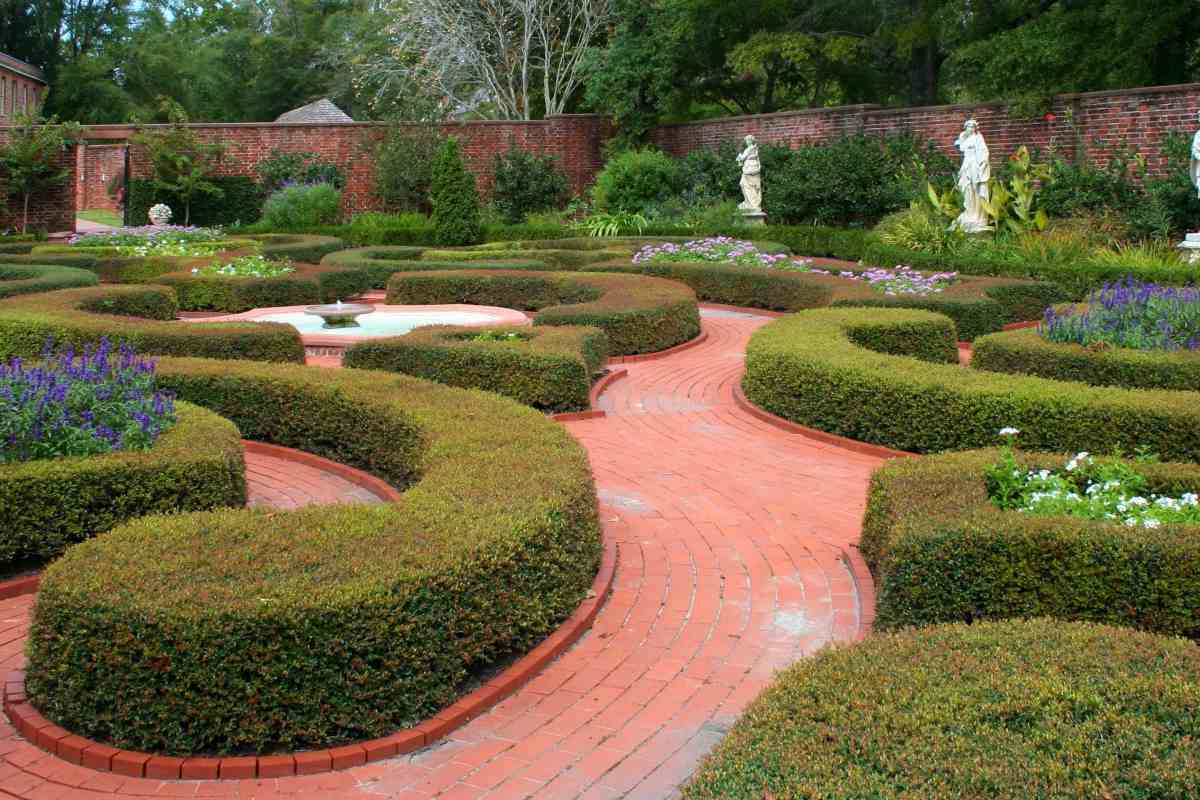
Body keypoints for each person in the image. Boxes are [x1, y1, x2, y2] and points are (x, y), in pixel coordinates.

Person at [954, 119, 991, 232]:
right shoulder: (964, 137)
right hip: (966, 165)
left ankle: (978, 214)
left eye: (972, 126)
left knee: (977, 189)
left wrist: (983, 164)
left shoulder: (978, 138)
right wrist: (963, 136)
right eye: (968, 126)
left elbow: (984, 151)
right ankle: (969, 212)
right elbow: (959, 145)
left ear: (975, 128)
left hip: (975, 165)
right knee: (966, 187)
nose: (970, 128)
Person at [736, 135, 763, 212]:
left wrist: (739, 156)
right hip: (750, 167)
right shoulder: (754, 148)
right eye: (746, 140)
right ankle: (748, 202)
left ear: (751, 141)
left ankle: (752, 203)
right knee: (745, 184)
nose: (747, 142)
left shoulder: (750, 148)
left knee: (747, 185)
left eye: (748, 140)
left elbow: (743, 158)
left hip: (750, 168)